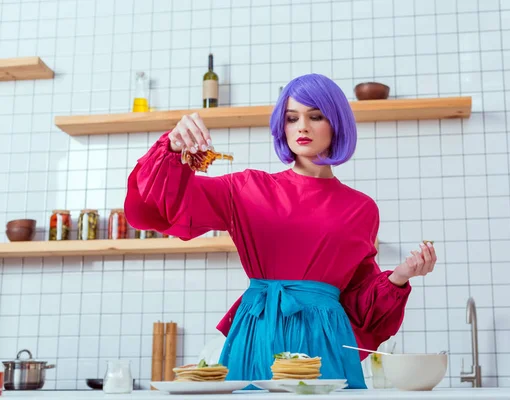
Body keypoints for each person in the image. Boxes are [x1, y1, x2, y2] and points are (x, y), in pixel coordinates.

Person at [124, 73, 437, 389]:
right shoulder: (248, 188)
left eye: (315, 116)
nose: (302, 126)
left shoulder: (361, 209)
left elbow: (356, 302)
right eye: (292, 118)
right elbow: (166, 205)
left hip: (325, 340)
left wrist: (399, 276)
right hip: (259, 331)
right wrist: (172, 150)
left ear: (337, 124)